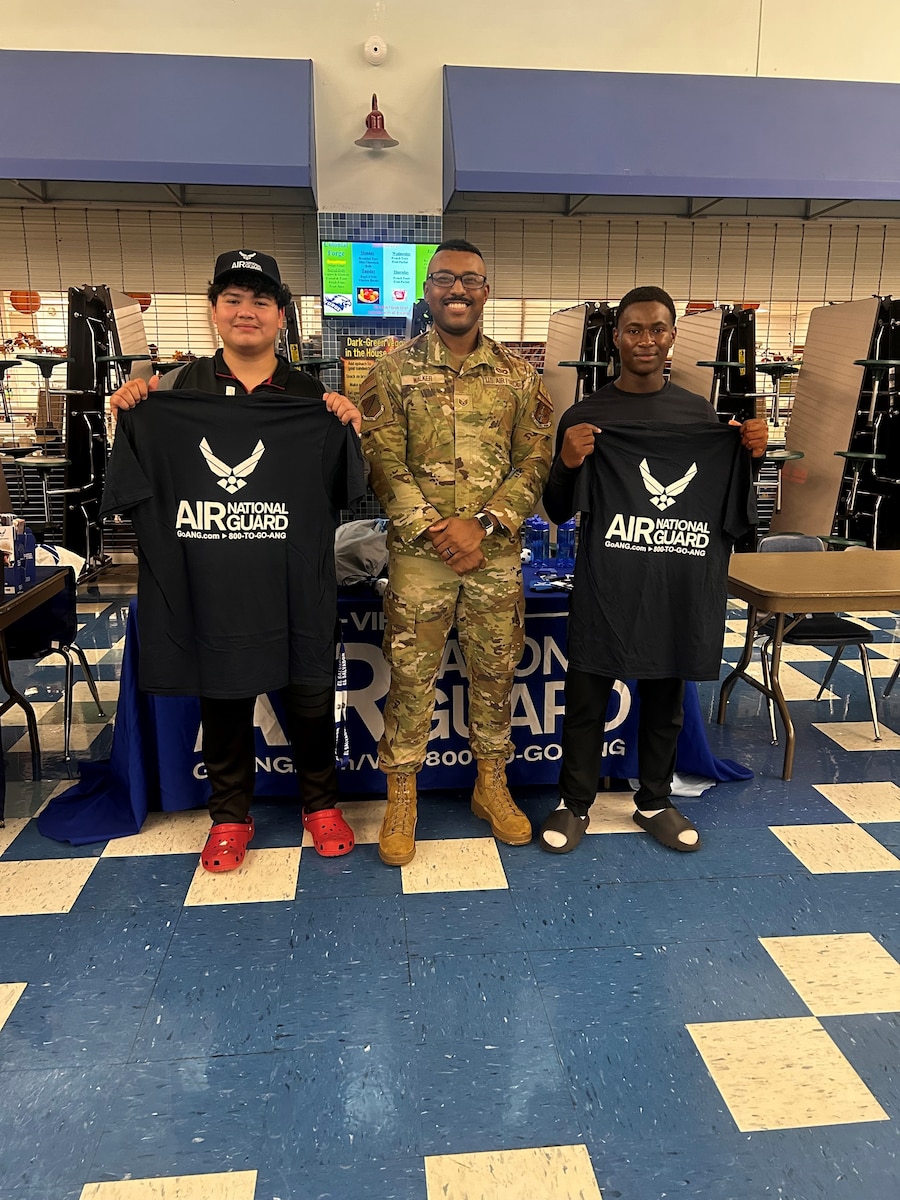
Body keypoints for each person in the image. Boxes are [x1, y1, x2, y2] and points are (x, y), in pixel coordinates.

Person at [108, 249, 364, 871]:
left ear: (281, 316)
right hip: (209, 584)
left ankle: (320, 805)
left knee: (308, 695)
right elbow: (131, 488)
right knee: (221, 698)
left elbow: (349, 489)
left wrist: (346, 423)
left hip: (291, 582)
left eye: (261, 301)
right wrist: (132, 414)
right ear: (214, 311)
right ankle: (230, 816)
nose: (246, 312)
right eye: (233, 300)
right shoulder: (174, 392)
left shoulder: (310, 396)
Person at [538, 285, 768, 856]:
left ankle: (655, 800)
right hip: (606, 580)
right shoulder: (586, 414)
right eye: (634, 329)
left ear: (672, 337)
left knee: (665, 697)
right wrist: (567, 462)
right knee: (587, 694)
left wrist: (751, 455)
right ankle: (574, 804)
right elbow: (558, 507)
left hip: (675, 581)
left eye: (658, 329)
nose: (646, 340)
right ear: (616, 337)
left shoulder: (698, 414)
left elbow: (733, 509)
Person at [359, 238, 554, 866]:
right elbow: (381, 459)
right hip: (419, 558)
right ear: (427, 291)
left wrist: (485, 525)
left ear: (486, 291)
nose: (457, 290)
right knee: (411, 677)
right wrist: (437, 529)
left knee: (495, 673)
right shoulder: (392, 371)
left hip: (494, 555)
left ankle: (490, 785)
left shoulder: (519, 375)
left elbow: (535, 459)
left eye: (470, 279)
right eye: (444, 279)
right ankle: (402, 796)